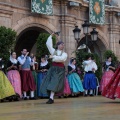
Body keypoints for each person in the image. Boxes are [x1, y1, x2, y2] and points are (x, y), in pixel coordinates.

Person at [40, 33, 67, 104]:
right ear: (58, 45)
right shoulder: (54, 51)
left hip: (60, 70)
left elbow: (62, 59)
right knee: (50, 82)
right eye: (61, 44)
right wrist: (51, 35)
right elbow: (48, 44)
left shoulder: (64, 54)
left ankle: (51, 98)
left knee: (54, 82)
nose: (63, 46)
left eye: (63, 45)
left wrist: (53, 57)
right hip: (53, 69)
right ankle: (51, 97)